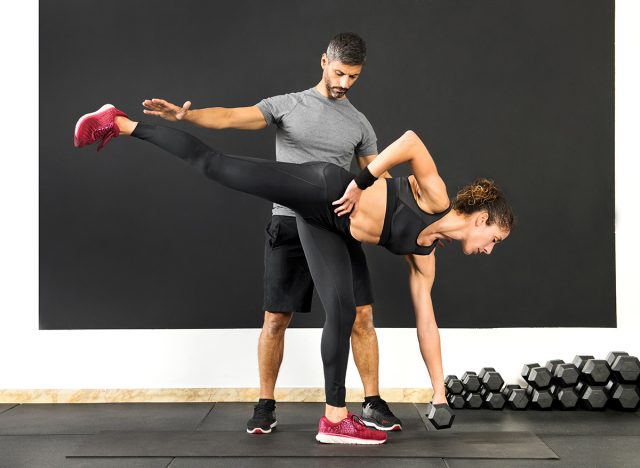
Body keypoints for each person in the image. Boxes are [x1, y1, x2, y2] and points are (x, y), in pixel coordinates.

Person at [73, 104, 514, 444]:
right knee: (218, 166)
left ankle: (335, 419)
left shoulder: (426, 255)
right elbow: (412, 142)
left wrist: (439, 395)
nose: (490, 250)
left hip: (325, 226)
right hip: (323, 186)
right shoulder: (435, 196)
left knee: (342, 309)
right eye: (494, 239)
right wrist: (361, 183)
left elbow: (427, 324)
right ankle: (121, 122)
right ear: (480, 219)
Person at [138, 32, 402, 435]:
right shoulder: (289, 104)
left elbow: (375, 177)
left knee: (361, 315)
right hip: (289, 222)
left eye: (353, 76)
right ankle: (265, 403)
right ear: (323, 62)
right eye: (339, 73)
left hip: (337, 225)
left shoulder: (359, 123)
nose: (344, 83)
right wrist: (185, 116)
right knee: (276, 318)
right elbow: (230, 117)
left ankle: (372, 401)